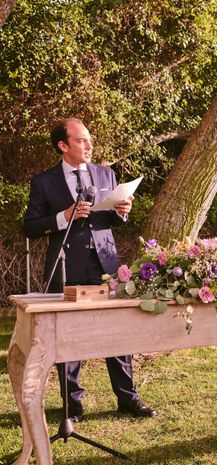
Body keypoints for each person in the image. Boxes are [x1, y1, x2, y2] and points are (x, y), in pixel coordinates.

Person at [24, 118, 156, 421]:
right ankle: (73, 404)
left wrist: (122, 212)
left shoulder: (105, 173)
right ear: (63, 145)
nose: (89, 144)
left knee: (117, 333)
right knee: (67, 337)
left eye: (89, 139)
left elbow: (107, 219)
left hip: (105, 266)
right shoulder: (44, 182)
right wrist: (64, 216)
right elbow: (30, 227)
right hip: (67, 267)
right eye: (82, 140)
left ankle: (128, 398)